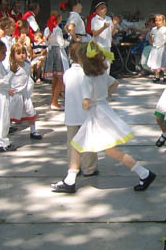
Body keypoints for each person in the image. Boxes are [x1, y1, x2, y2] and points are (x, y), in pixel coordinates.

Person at [58, 41, 156, 193]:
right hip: (104, 112)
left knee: (86, 147)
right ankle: (69, 180)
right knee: (90, 147)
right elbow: (115, 83)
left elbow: (85, 103)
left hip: (96, 115)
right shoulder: (103, 74)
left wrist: (89, 102)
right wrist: (105, 95)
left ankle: (145, 173)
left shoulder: (87, 79)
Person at [54, 44, 98, 190]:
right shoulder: (89, 73)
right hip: (87, 114)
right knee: (89, 143)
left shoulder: (67, 73)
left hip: (72, 114)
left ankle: (74, 166)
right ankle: (89, 168)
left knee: (72, 143)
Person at [8, 44, 42, 140]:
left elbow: (28, 79)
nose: (22, 55)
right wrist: (8, 89)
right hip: (14, 94)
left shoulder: (27, 66)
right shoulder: (12, 67)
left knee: (30, 111)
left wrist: (29, 89)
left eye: (23, 52)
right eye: (18, 53)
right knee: (10, 112)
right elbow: (7, 80)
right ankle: (7, 128)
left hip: (24, 94)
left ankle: (33, 131)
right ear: (13, 55)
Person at [42, 10, 69, 109]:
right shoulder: (57, 29)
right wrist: (68, 42)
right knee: (60, 78)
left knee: (55, 78)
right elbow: (61, 44)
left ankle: (54, 99)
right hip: (58, 53)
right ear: (59, 18)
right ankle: (55, 102)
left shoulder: (47, 29)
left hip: (51, 52)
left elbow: (46, 42)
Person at [147, 14, 166, 83]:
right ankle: (157, 76)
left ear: (163, 21)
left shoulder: (165, 29)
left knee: (163, 62)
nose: (157, 22)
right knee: (155, 62)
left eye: (159, 20)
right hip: (155, 47)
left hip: (162, 47)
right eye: (156, 20)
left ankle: (165, 75)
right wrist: (151, 42)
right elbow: (150, 35)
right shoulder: (153, 29)